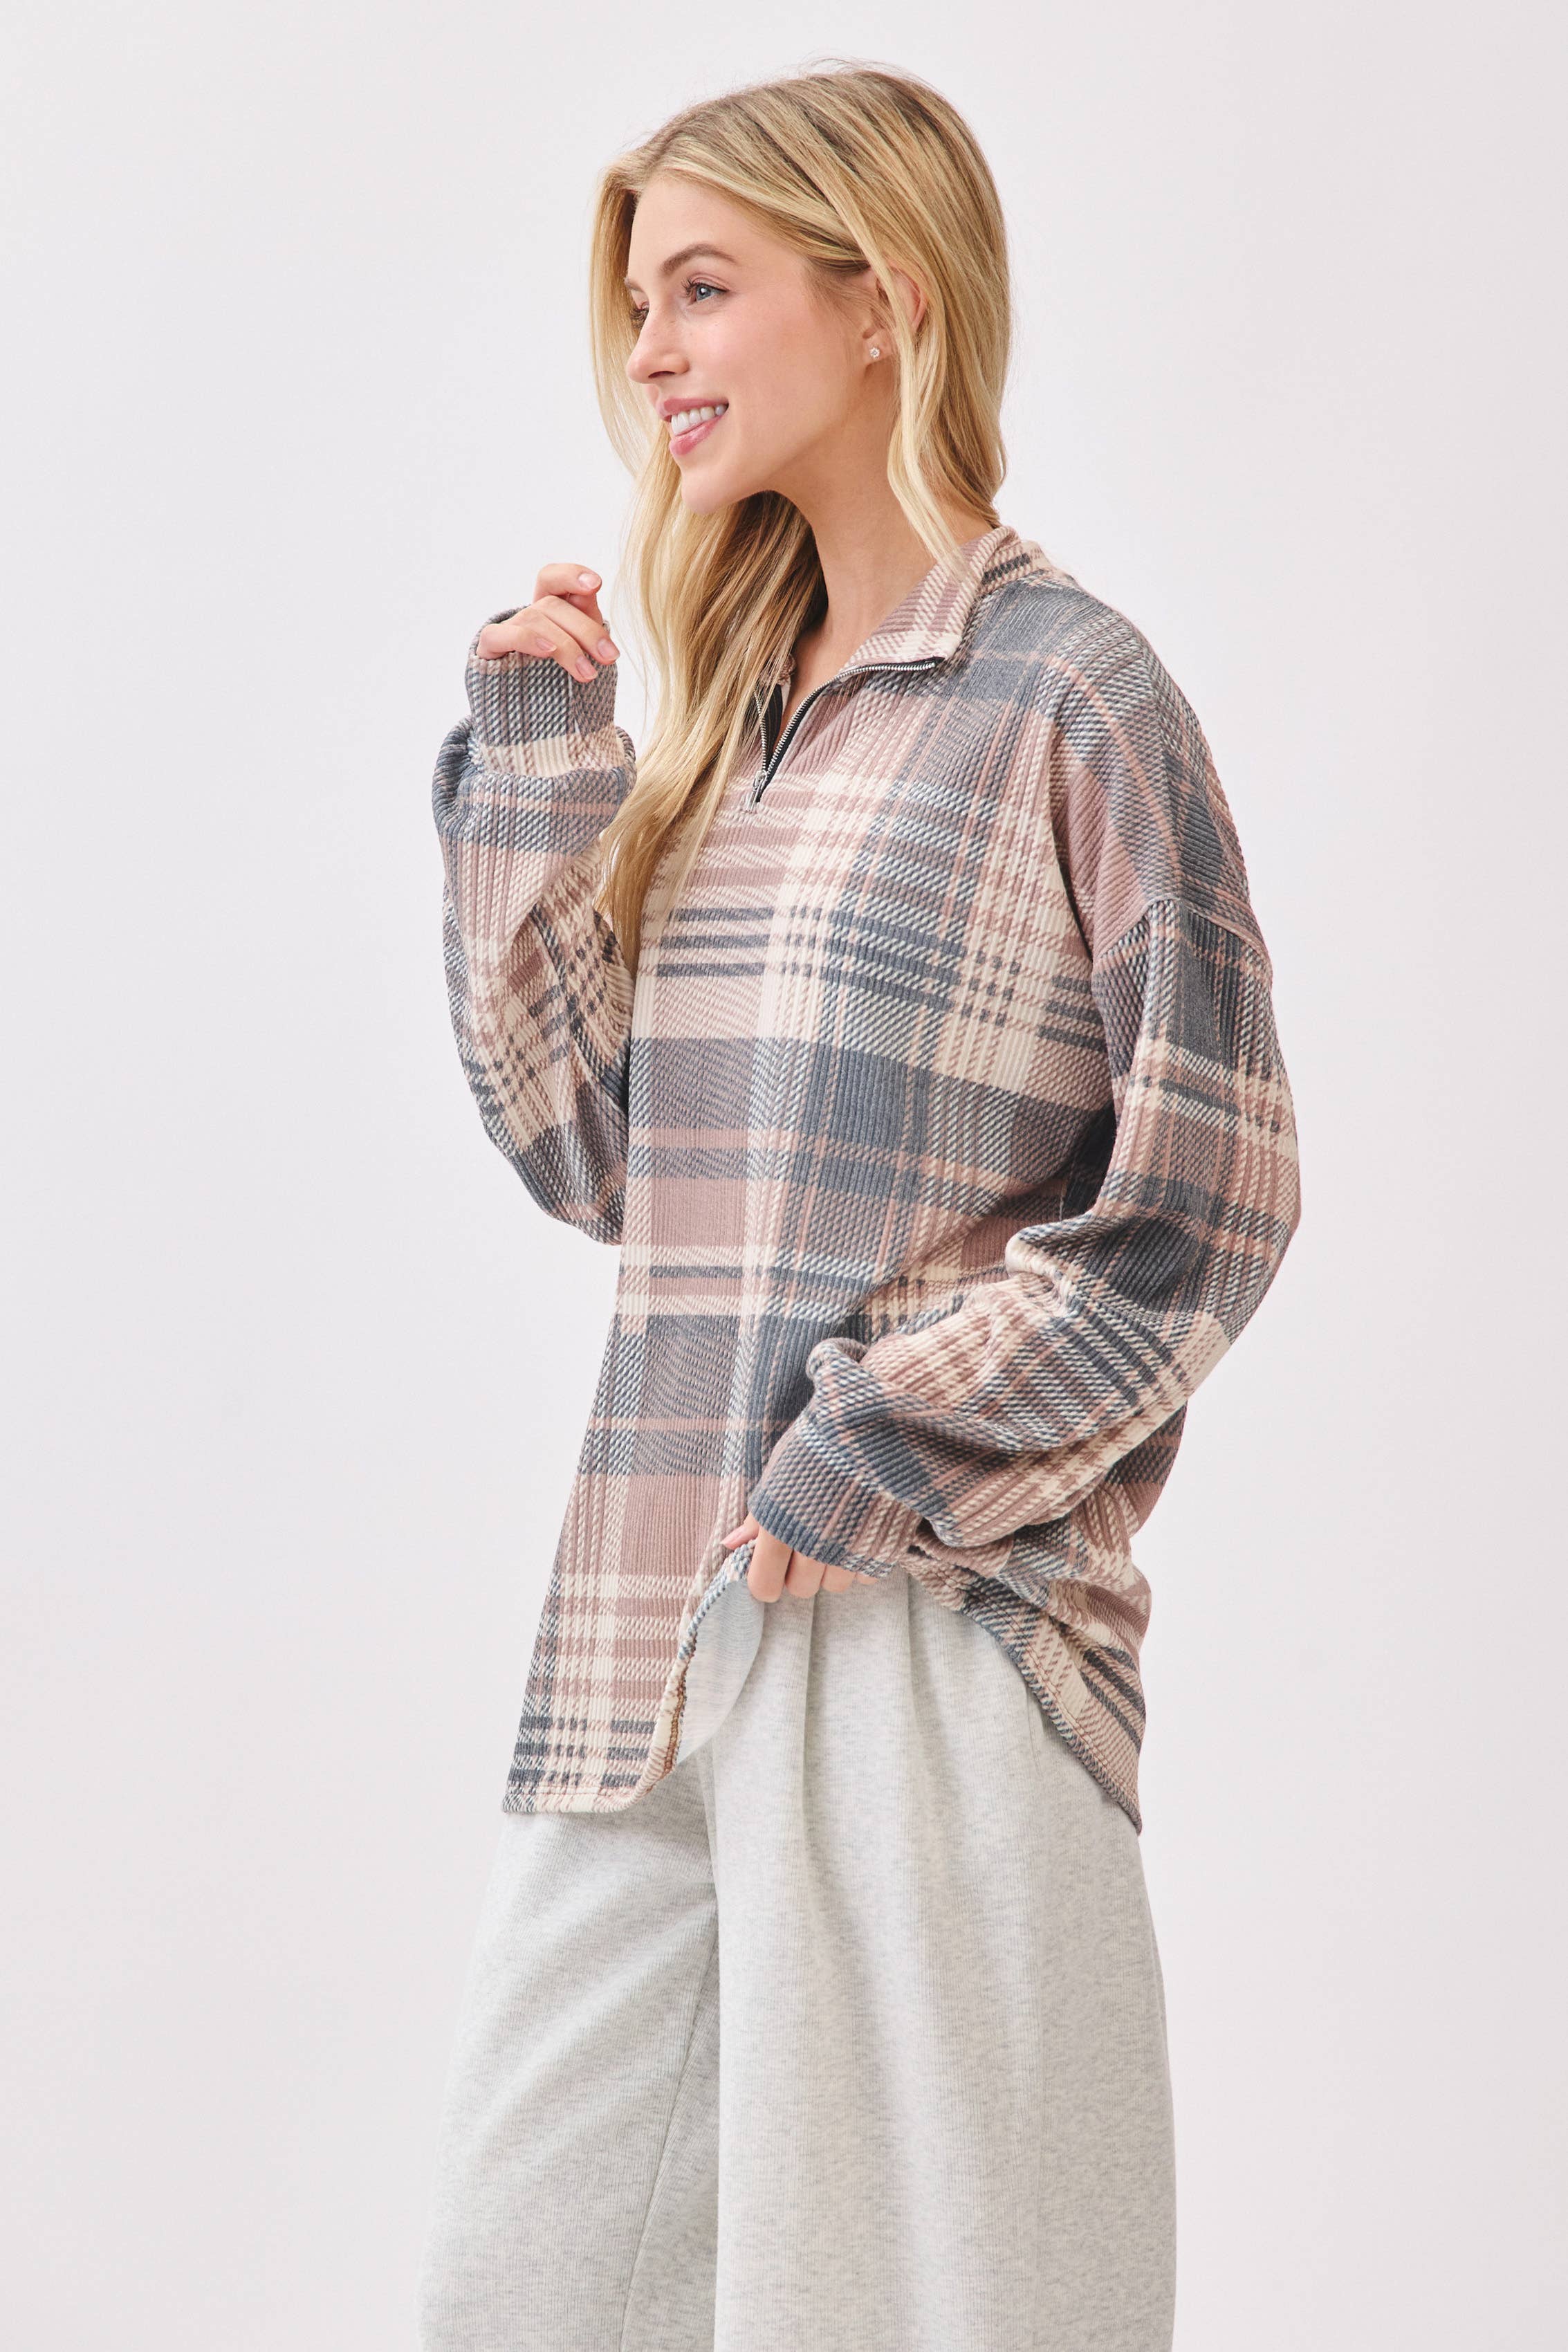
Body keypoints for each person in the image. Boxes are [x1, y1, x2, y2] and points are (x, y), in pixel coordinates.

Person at [416, 60, 1300, 2352]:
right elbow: (596, 1160)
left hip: (928, 1603)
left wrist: (882, 1445)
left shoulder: (1066, 697)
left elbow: (1212, 1193)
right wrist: (538, 779)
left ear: (883, 297)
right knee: (523, 2292)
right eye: (638, 305)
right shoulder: (734, 712)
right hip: (648, 1616)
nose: (650, 354)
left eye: (702, 290)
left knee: (937, 2313)